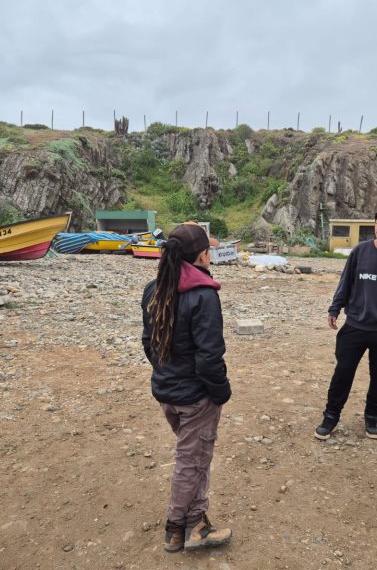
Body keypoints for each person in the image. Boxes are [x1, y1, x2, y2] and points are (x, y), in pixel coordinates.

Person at [141, 222, 232, 553]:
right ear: (202, 255)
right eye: (209, 251)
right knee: (191, 461)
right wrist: (220, 392)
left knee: (196, 457)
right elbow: (210, 357)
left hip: (167, 392)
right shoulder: (203, 295)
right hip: (196, 397)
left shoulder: (155, 289)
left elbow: (148, 344)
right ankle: (176, 528)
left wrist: (168, 374)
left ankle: (194, 522)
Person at [315, 207, 377, 441]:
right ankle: (331, 416)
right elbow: (346, 282)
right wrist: (335, 308)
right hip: (355, 327)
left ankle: (372, 416)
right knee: (342, 373)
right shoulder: (360, 251)